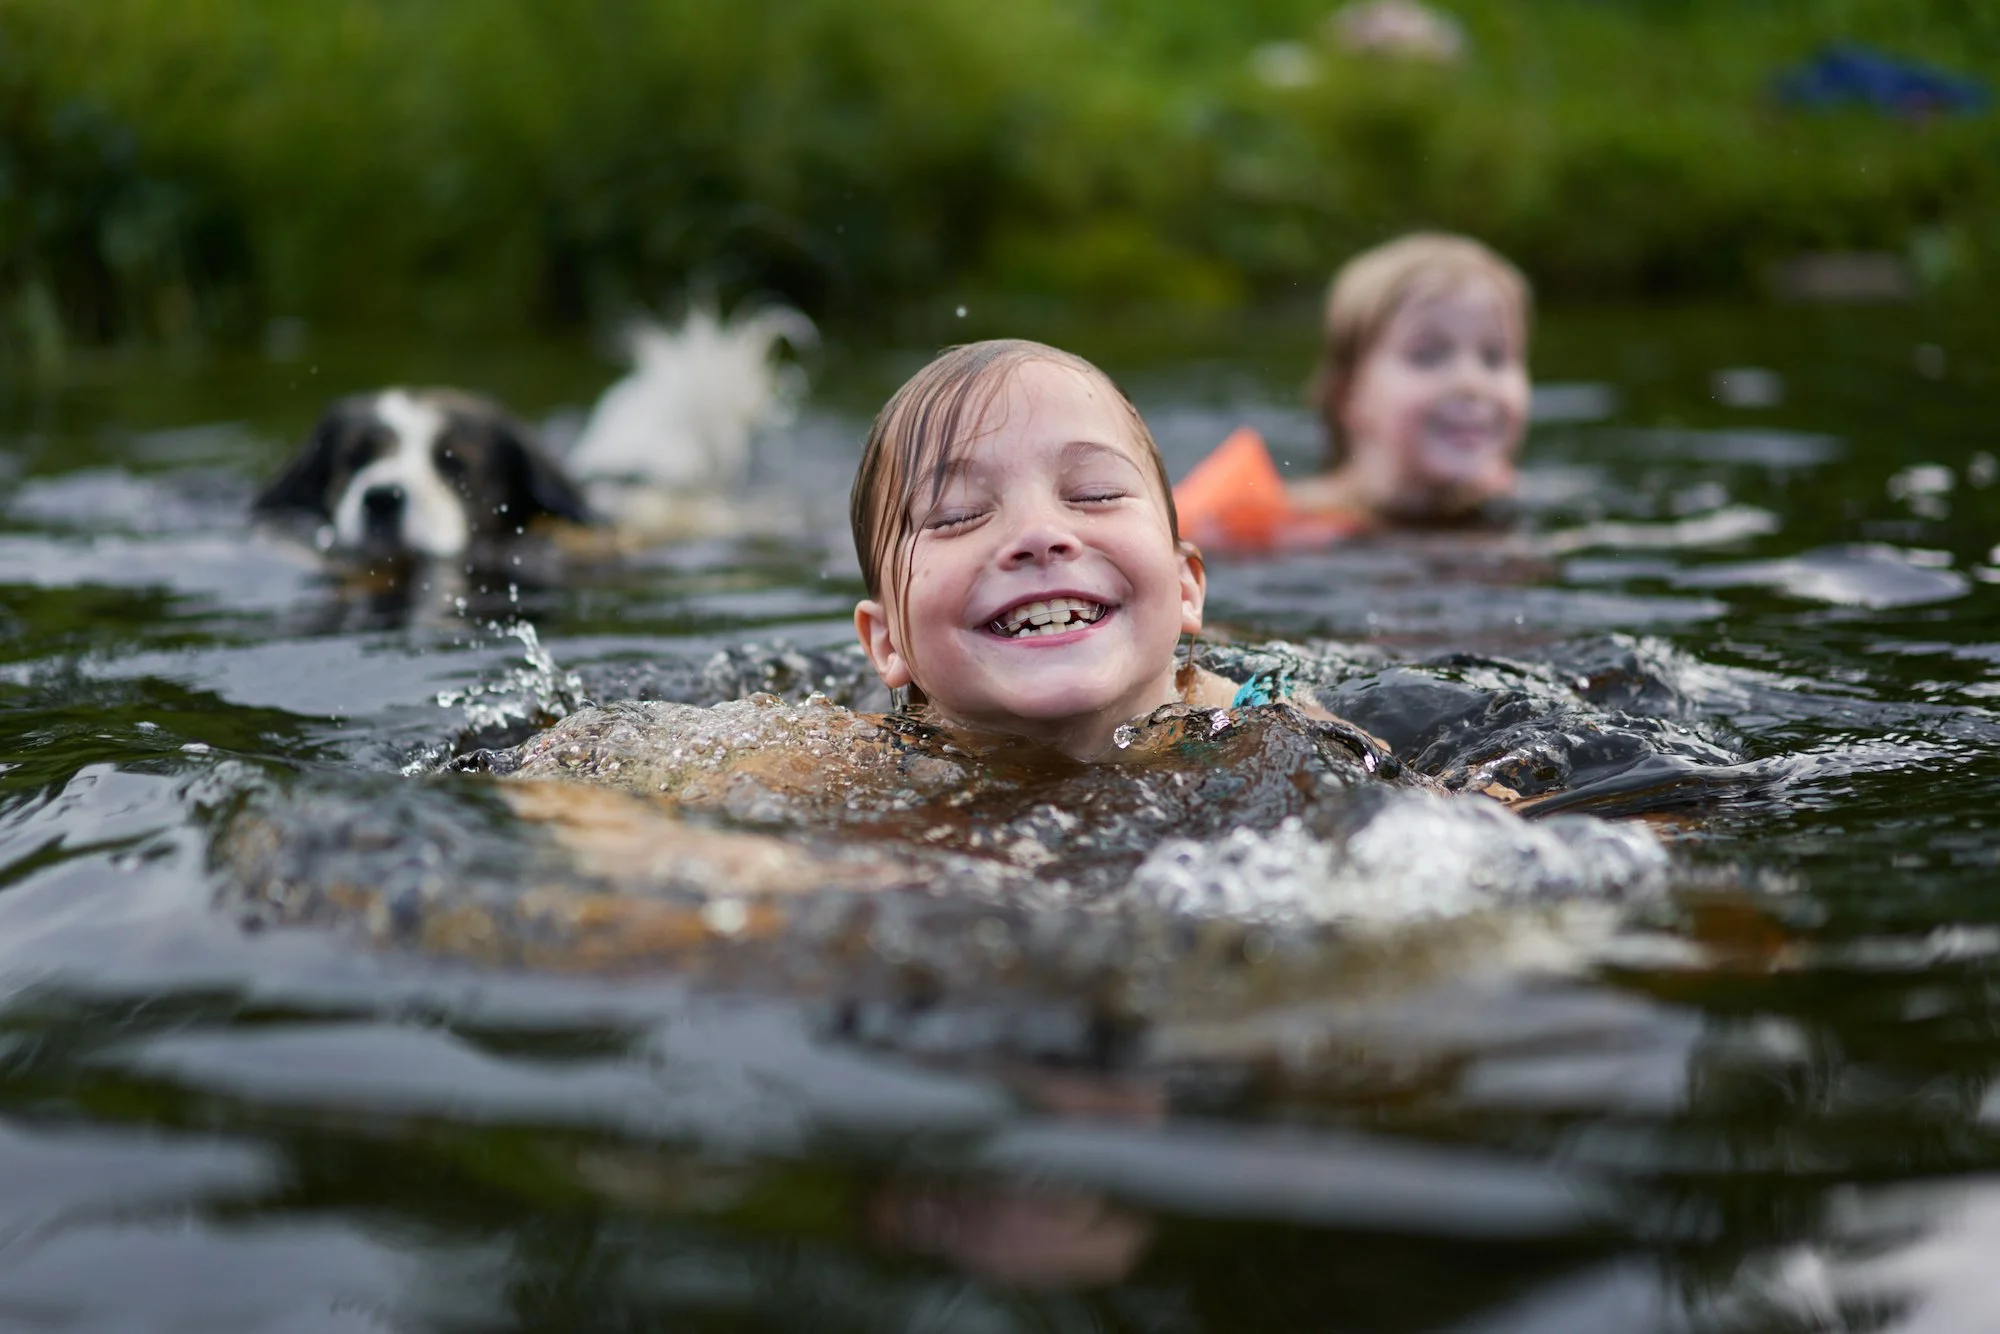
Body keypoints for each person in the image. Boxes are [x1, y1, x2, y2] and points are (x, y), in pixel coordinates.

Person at [849, 339, 1301, 761]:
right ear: (887, 641)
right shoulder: (854, 764)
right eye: (958, 515)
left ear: (1185, 589)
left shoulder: (1267, 724)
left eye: (1095, 493)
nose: (1039, 533)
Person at [1175, 232, 1532, 549]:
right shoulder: (1270, 523)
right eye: (1428, 355)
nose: (1472, 382)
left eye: (1495, 357)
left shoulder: (1497, 506)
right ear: (1348, 396)